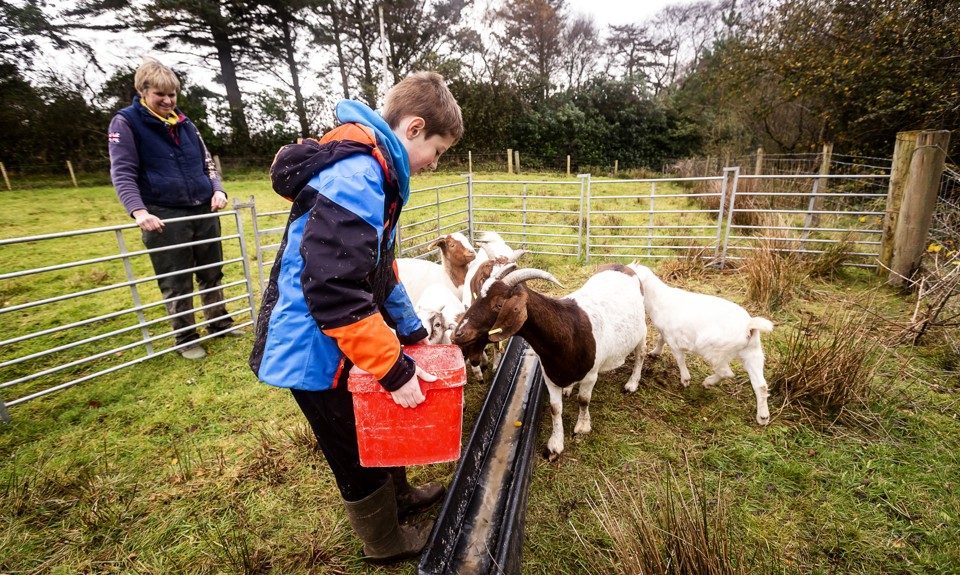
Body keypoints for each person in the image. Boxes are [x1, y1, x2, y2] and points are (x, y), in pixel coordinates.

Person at [248, 71, 463, 563]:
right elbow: (336, 290)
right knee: (352, 445)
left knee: (378, 420)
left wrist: (410, 334)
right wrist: (393, 367)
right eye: (438, 149)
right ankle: (383, 543)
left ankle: (401, 499)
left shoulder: (377, 172)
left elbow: (378, 268)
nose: (434, 163)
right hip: (311, 350)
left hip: (339, 337)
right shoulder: (357, 176)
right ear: (412, 128)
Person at [108, 56, 240, 361]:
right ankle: (185, 336)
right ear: (143, 91)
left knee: (211, 272)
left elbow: (207, 163)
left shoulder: (185, 123)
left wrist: (217, 190)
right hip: (163, 213)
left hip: (202, 209)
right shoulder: (126, 123)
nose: (168, 101)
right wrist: (139, 211)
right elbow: (123, 171)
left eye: (172, 95)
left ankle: (219, 323)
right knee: (176, 279)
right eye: (160, 95)